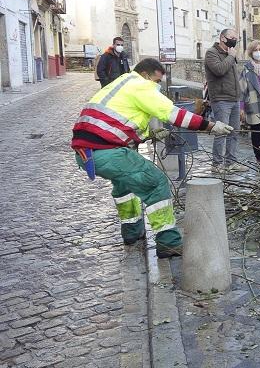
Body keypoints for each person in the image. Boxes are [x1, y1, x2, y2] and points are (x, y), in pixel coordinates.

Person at [71, 58, 233, 258]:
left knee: (125, 185)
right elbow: (174, 114)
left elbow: (122, 119)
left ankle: (131, 232)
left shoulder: (122, 83)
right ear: (147, 75)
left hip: (87, 152)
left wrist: (149, 135)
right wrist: (210, 126)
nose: (157, 85)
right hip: (108, 151)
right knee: (156, 183)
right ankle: (168, 242)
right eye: (157, 80)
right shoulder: (142, 86)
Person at [205, 29, 246, 173]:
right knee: (221, 132)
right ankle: (216, 164)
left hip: (234, 98)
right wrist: (231, 57)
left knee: (234, 132)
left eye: (236, 38)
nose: (234, 40)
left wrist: (239, 98)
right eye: (232, 37)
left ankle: (231, 162)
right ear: (222, 38)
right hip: (221, 99)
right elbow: (219, 70)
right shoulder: (212, 53)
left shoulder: (230, 54)